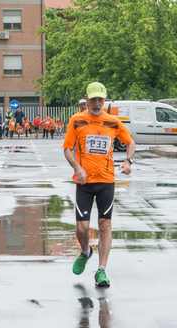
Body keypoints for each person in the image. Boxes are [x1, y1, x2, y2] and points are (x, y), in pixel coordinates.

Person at [63, 82, 135, 288]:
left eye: (100, 100)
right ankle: (85, 251)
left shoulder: (112, 122)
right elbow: (67, 149)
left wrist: (128, 161)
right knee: (82, 227)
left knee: (105, 225)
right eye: (93, 99)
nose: (96, 103)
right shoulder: (77, 120)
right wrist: (77, 167)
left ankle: (102, 270)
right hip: (84, 182)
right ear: (86, 100)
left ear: (104, 101)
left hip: (106, 181)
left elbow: (130, 142)